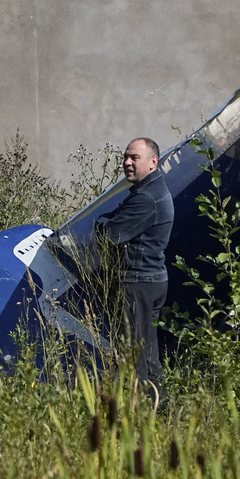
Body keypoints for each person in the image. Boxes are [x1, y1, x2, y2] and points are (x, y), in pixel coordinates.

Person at [96, 137, 173, 392]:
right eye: (125, 157)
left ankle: (140, 409)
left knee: (134, 353)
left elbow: (110, 234)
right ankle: (159, 407)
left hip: (140, 280)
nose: (127, 163)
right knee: (148, 353)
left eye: (134, 158)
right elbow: (117, 226)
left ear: (153, 161)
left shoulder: (146, 198)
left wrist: (102, 225)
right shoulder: (146, 191)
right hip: (151, 279)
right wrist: (113, 224)